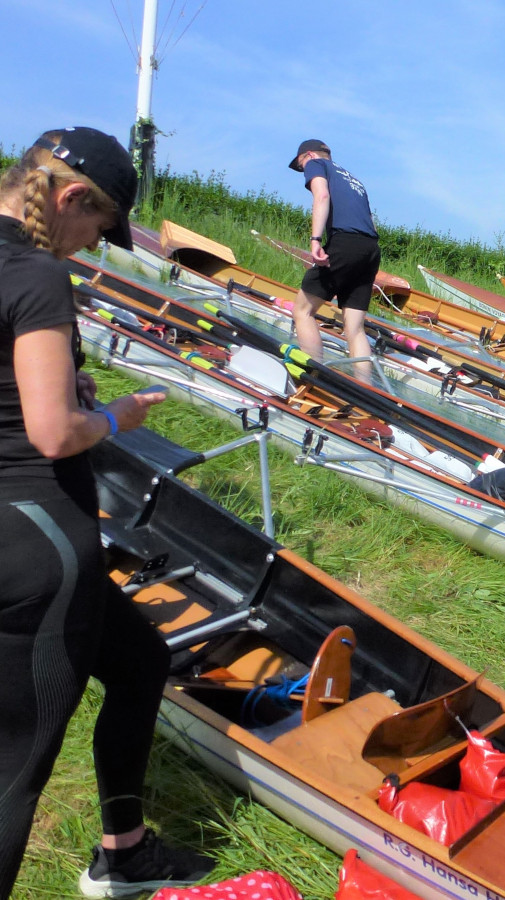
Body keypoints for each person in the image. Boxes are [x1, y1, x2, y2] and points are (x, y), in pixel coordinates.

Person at [0, 128, 214, 898]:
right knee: (16, 766)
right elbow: (53, 432)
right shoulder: (36, 274)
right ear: (69, 199)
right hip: (36, 542)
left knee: (139, 660)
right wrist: (119, 415)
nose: (93, 247)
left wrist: (62, 389)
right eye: (98, 228)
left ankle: (124, 853)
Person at [288, 139, 380, 372]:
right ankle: (366, 390)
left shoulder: (316, 165)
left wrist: (315, 240)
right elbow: (371, 223)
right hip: (370, 249)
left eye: (301, 166)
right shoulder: (355, 181)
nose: (303, 172)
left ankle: (315, 376)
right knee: (354, 329)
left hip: (345, 243)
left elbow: (321, 196)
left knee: (302, 311)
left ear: (309, 155)